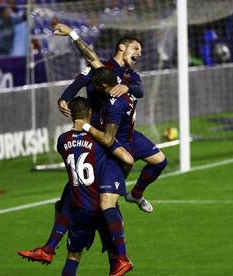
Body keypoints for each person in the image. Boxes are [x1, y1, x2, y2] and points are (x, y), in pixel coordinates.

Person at [54, 22, 167, 213]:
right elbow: (77, 83)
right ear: (122, 47)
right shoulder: (99, 69)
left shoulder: (131, 76)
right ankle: (71, 207)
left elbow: (139, 91)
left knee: (160, 161)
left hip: (128, 133)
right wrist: (64, 99)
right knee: (91, 184)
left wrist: (128, 87)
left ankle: (136, 194)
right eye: (136, 48)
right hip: (103, 133)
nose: (139, 53)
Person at [19, 97, 134, 276]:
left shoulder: (62, 140)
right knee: (114, 257)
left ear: (71, 115)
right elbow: (126, 159)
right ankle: (122, 257)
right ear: (90, 113)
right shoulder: (99, 139)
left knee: (73, 256)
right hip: (104, 205)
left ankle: (49, 247)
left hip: (80, 208)